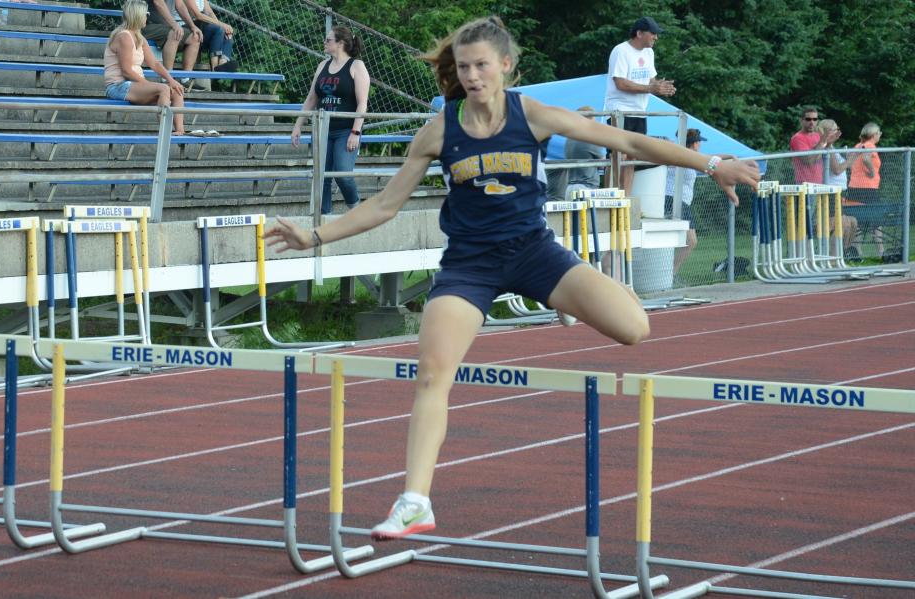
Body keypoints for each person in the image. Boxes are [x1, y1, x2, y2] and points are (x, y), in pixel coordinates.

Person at [264, 16, 759, 540]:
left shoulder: (535, 115)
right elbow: (385, 205)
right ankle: (414, 501)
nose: (472, 76)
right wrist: (313, 236)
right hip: (469, 266)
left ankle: (567, 292)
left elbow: (625, 143)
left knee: (635, 329)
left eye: (482, 65)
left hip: (534, 254)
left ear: (505, 66)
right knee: (433, 373)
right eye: (463, 67)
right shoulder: (440, 129)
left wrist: (712, 164)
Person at [291, 26, 370, 215]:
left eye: (328, 40)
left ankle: (356, 210)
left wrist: (355, 132)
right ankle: (322, 215)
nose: (324, 43)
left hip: (345, 130)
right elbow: (311, 98)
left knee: (342, 173)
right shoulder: (322, 66)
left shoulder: (356, 66)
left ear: (340, 44)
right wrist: (297, 126)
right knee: (321, 176)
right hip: (322, 130)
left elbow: (362, 103)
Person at [603, 16, 675, 195]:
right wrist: (651, 87)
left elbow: (650, 79)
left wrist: (660, 87)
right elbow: (620, 83)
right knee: (617, 155)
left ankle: (626, 196)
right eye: (653, 34)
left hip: (639, 112)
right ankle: (611, 194)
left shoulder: (649, 53)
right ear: (639, 33)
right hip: (619, 111)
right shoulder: (621, 51)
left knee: (633, 156)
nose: (656, 38)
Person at [104, 0, 186, 136]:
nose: (147, 17)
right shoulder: (124, 36)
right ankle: (165, 133)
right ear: (137, 16)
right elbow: (126, 71)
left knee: (176, 91)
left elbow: (154, 64)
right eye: (145, 14)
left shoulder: (139, 37)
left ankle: (180, 131)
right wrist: (149, 84)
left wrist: (171, 80)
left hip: (134, 85)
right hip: (118, 86)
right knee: (163, 89)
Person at [663, 128, 727, 278]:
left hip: (674, 200)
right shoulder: (688, 158)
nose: (700, 145)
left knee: (677, 239)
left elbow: (710, 158)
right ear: (694, 143)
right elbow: (710, 165)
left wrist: (730, 156)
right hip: (676, 200)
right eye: (699, 142)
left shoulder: (685, 155)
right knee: (691, 241)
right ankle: (670, 274)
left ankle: (667, 274)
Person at [816, 119, 860, 255]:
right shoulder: (827, 148)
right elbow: (836, 169)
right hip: (829, 193)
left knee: (853, 222)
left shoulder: (832, 147)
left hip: (839, 193)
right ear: (827, 132)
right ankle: (833, 255)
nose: (838, 132)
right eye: (835, 129)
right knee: (843, 224)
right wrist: (851, 160)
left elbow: (843, 167)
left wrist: (849, 159)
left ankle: (844, 252)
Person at [846, 122, 884, 256]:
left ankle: (857, 252)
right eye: (879, 133)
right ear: (874, 135)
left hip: (854, 188)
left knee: (858, 221)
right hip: (868, 189)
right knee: (877, 221)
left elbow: (849, 163)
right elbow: (867, 158)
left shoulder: (858, 146)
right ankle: (881, 251)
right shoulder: (870, 145)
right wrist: (872, 172)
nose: (880, 135)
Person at [141, 0, 202, 75]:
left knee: (195, 37)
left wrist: (193, 26)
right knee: (175, 33)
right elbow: (158, 3)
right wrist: (175, 25)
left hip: (164, 27)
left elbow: (180, 6)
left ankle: (186, 78)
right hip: (144, 25)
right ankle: (167, 77)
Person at [178, 0, 236, 72]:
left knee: (226, 34)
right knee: (218, 29)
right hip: (185, 26)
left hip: (199, 27)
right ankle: (214, 68)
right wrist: (220, 24)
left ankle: (222, 64)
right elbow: (197, 15)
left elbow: (209, 13)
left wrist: (223, 26)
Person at [789, 106, 837, 184]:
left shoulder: (817, 136)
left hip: (819, 182)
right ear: (801, 120)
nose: (812, 122)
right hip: (804, 185)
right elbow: (809, 161)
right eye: (808, 119)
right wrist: (821, 144)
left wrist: (828, 144)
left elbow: (820, 155)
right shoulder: (797, 138)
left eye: (815, 119)